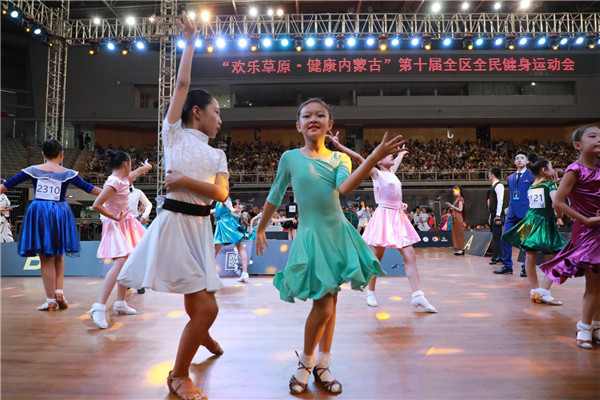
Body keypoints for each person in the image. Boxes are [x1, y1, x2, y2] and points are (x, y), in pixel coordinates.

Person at [255, 99, 403, 395]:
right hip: (311, 238)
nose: (314, 119)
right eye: (307, 115)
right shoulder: (289, 158)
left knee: (331, 302)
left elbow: (346, 188)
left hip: (337, 235)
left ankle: (322, 363)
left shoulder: (340, 159)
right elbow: (275, 194)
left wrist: (372, 157)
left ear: (329, 124)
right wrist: (260, 227)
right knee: (323, 306)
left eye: (320, 115)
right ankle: (307, 363)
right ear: (298, 125)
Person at [117, 12, 228, 400]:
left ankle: (201, 334)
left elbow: (221, 195)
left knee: (195, 299)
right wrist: (192, 43)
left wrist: (184, 181)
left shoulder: (218, 156)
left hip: (201, 228)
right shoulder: (175, 133)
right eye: (216, 112)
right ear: (197, 112)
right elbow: (182, 83)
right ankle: (178, 375)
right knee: (207, 308)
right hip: (175, 224)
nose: (220, 120)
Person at [328, 133, 437, 312]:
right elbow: (357, 157)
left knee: (410, 254)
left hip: (398, 217)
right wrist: (339, 146)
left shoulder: (391, 173)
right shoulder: (376, 173)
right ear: (379, 160)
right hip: (384, 216)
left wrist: (401, 155)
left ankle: (418, 295)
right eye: (388, 155)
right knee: (376, 258)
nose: (391, 156)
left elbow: (397, 162)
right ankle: (370, 291)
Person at [0, 139, 101, 310]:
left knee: (46, 258)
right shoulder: (68, 173)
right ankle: (59, 290)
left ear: (43, 154)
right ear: (61, 154)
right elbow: (90, 189)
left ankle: (50, 300)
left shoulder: (32, 170)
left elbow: (6, 185)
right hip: (60, 212)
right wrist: (116, 192)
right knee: (59, 254)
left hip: (39, 211)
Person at [539, 125, 600, 349]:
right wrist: (585, 220)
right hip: (587, 231)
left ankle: (596, 325)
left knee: (599, 281)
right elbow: (558, 203)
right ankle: (584, 327)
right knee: (594, 282)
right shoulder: (575, 170)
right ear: (578, 145)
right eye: (593, 136)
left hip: (599, 227)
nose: (599, 139)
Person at [88, 153, 152, 329]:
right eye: (131, 164)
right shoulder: (113, 182)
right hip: (116, 224)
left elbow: (134, 174)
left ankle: (120, 302)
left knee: (128, 262)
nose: (132, 167)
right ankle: (99, 307)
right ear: (125, 164)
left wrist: (146, 167)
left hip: (126, 223)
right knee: (120, 263)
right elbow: (97, 205)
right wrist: (115, 218)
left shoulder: (123, 179)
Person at [501, 154, 566, 305]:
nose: (553, 170)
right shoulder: (549, 185)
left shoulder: (532, 186)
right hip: (544, 223)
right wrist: (560, 215)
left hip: (530, 222)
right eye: (551, 167)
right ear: (544, 170)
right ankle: (544, 291)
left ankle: (535, 290)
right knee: (556, 256)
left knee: (530, 256)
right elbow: (557, 203)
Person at [495, 151, 534, 276]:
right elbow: (512, 195)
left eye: (522, 158)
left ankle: (525, 268)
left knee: (525, 241)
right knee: (505, 237)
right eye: (517, 158)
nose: (519, 160)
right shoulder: (510, 177)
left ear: (527, 161)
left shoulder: (532, 175)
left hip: (526, 211)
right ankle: (507, 266)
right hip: (512, 212)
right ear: (514, 162)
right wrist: (508, 208)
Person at [213, 197, 249, 283]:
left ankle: (244, 273)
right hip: (222, 225)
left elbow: (232, 209)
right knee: (215, 249)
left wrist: (237, 209)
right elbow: (215, 210)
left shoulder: (224, 198)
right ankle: (212, 273)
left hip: (226, 225)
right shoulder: (219, 201)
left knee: (239, 247)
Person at [487, 167, 505, 265]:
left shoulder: (499, 186)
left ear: (493, 174)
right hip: (493, 214)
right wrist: (491, 215)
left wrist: (498, 215)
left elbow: (500, 201)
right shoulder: (493, 187)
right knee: (495, 236)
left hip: (497, 215)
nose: (488, 176)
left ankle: (496, 257)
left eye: (489, 173)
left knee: (497, 236)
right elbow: (493, 204)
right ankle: (499, 256)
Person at [446, 186, 465, 256]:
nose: (453, 192)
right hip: (455, 217)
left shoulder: (460, 199)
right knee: (456, 233)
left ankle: (461, 248)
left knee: (459, 233)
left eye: (454, 191)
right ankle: (459, 248)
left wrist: (451, 206)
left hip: (458, 217)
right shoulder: (457, 199)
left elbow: (460, 209)